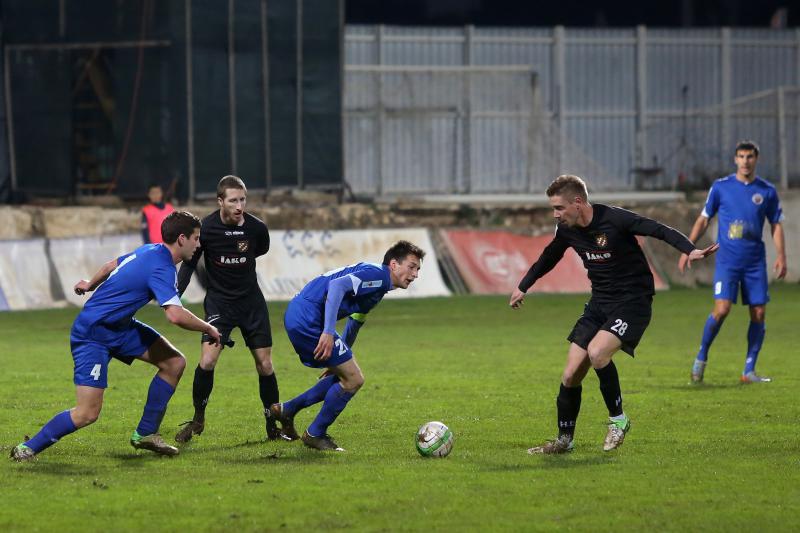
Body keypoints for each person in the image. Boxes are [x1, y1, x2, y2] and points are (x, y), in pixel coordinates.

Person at [510, 175, 717, 455]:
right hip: (600, 303)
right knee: (571, 374)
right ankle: (564, 440)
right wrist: (523, 286)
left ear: (578, 202)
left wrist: (689, 250)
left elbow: (658, 229)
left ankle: (619, 421)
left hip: (633, 301)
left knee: (598, 353)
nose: (555, 214)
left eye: (559, 207)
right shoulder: (566, 229)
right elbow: (549, 257)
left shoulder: (615, 219)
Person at [10, 211, 221, 462]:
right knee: (87, 413)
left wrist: (90, 284)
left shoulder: (150, 250)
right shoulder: (162, 267)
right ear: (182, 239)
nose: (199, 244)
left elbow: (112, 265)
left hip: (120, 329)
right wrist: (208, 328)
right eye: (196, 238)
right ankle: (27, 448)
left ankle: (145, 433)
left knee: (174, 363)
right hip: (93, 334)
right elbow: (175, 315)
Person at [270, 240, 425, 452]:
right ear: (394, 264)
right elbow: (337, 286)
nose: (415, 274)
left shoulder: (377, 286)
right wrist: (327, 332)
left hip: (301, 314)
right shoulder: (378, 276)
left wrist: (340, 359)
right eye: (411, 266)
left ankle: (287, 409)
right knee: (354, 379)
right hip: (309, 318)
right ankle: (315, 433)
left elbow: (355, 322)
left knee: (343, 375)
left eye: (418, 269)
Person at [174, 175, 287, 443]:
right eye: (233, 200)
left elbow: (259, 250)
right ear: (220, 201)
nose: (239, 206)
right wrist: (175, 293)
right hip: (220, 304)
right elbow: (190, 263)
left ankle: (273, 427)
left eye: (243, 200)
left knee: (265, 364)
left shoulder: (257, 228)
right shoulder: (207, 229)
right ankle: (198, 418)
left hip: (251, 303)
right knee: (208, 361)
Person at [680, 140, 787, 384]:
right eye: (741, 156)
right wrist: (687, 247)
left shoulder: (767, 191)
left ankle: (748, 371)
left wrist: (782, 255)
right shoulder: (721, 187)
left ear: (756, 159)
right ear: (735, 159)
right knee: (722, 310)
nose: (745, 161)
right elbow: (704, 219)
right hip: (728, 262)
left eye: (750, 156)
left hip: (754, 262)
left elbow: (776, 225)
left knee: (759, 312)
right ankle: (701, 358)